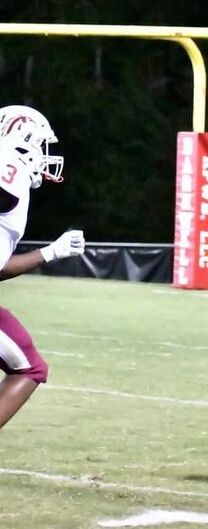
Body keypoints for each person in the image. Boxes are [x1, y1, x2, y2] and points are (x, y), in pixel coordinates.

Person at [0, 104, 85, 430]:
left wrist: (51, 252)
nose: (45, 155)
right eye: (40, 144)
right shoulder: (11, 168)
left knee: (30, 364)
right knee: (29, 368)